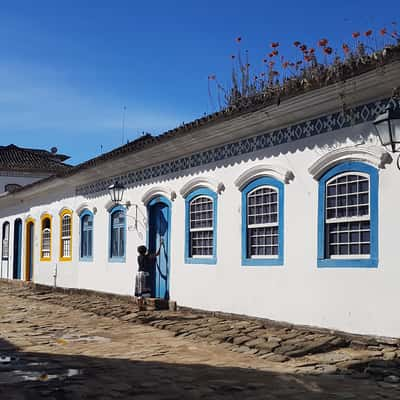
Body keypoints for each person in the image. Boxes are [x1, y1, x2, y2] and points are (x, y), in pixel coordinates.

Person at [135, 239, 163, 310]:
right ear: (145, 251)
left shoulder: (139, 257)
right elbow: (157, 254)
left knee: (139, 291)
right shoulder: (146, 257)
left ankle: (140, 306)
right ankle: (143, 306)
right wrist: (160, 245)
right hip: (144, 274)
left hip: (138, 274)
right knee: (144, 291)